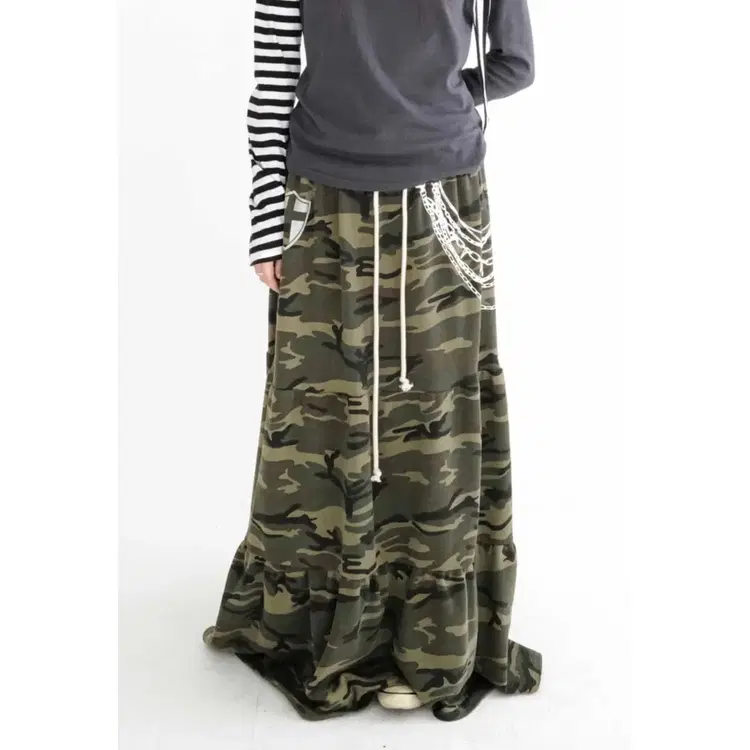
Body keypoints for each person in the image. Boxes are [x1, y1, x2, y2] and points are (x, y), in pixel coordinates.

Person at [203, 0, 542, 721]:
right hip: (358, 199)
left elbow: (515, 65)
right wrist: (268, 224)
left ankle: (416, 641)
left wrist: (418, 105)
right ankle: (376, 632)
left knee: (408, 414)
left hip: (407, 202)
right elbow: (272, 86)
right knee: (349, 417)